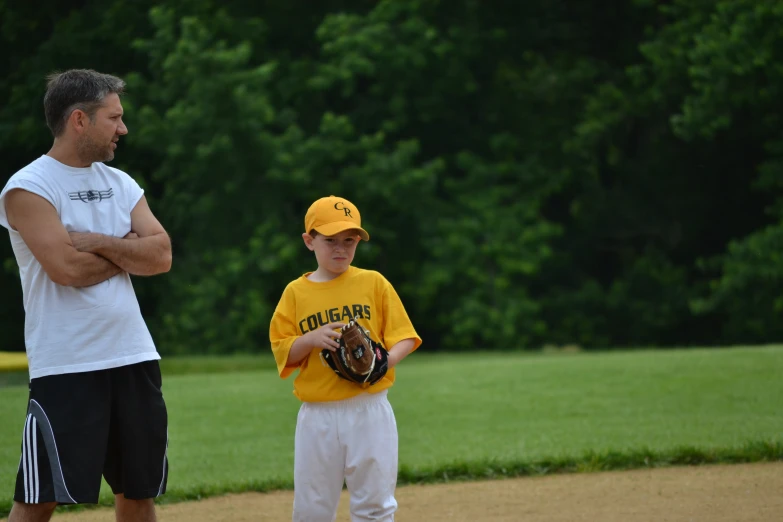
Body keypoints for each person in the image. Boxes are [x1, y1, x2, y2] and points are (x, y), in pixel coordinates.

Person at [0, 69, 172, 522]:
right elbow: (66, 269)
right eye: (114, 118)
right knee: (39, 499)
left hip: (134, 357)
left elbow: (162, 255)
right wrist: (128, 249)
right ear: (80, 120)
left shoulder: (121, 183)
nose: (123, 128)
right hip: (68, 365)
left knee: (138, 492)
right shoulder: (28, 187)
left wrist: (96, 241)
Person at [269, 195, 422, 522]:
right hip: (318, 416)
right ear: (309, 241)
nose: (341, 249)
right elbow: (283, 350)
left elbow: (405, 337)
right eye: (330, 240)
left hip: (370, 409)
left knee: (376, 506)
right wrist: (309, 339)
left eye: (349, 241)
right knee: (312, 508)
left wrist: (384, 362)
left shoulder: (373, 282)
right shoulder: (296, 293)